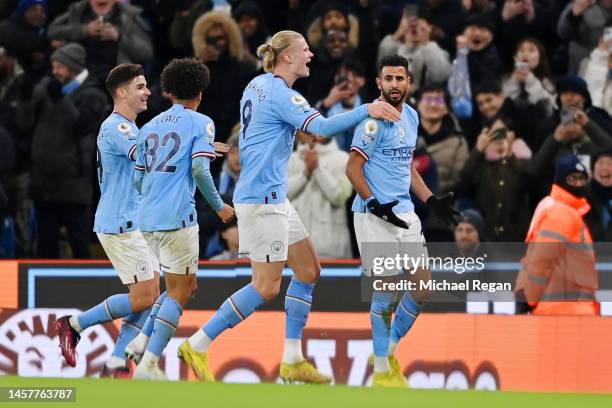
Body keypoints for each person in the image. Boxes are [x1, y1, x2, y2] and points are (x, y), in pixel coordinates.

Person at [177, 30, 400, 384]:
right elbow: (321, 129)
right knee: (266, 287)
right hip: (262, 200)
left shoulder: (257, 85)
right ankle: (199, 343)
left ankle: (293, 359)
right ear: (288, 57)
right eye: (305, 50)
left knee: (309, 270)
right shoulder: (283, 94)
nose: (311, 54)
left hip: (273, 197)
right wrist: (366, 109)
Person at [346, 54, 460, 387]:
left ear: (409, 82)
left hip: (405, 213)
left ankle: (388, 349)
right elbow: (352, 169)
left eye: (400, 78)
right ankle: (382, 371)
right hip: (373, 216)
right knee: (386, 292)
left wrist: (430, 199)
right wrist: (373, 203)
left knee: (423, 287)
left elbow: (406, 166)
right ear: (378, 83)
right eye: (388, 79)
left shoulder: (410, 116)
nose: (395, 84)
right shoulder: (371, 122)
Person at [129, 58, 234, 380]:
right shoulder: (202, 122)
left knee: (182, 286)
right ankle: (148, 364)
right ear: (200, 93)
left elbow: (137, 178)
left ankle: (140, 341)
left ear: (168, 91)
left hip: (146, 218)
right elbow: (201, 170)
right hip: (178, 217)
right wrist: (219, 207)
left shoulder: (148, 127)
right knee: (180, 291)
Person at [55, 64, 160, 378]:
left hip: (132, 221)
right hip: (120, 222)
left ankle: (116, 364)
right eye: (141, 87)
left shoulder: (129, 127)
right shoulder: (119, 128)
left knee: (145, 298)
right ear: (121, 92)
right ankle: (73, 325)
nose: (148, 92)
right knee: (145, 296)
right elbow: (145, 160)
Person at [21, 43, 108, 258]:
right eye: (53, 66)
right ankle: (44, 290)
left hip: (73, 184)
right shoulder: (48, 89)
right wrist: (28, 94)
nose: (55, 71)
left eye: (59, 66)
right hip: (43, 181)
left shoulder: (94, 94)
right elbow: (24, 123)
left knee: (78, 241)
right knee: (45, 243)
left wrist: (60, 99)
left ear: (73, 67)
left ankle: (86, 288)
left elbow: (81, 126)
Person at [516, 154, 599, 315]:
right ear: (560, 181)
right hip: (563, 312)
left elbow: (533, 257)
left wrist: (525, 294)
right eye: (572, 178)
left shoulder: (557, 210)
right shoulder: (561, 213)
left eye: (582, 179)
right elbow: (542, 259)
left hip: (563, 309)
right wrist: (529, 298)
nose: (578, 183)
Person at [48, 0, 153, 82]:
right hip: (81, 80)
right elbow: (52, 31)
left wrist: (119, 37)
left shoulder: (129, 16)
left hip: (118, 81)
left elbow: (146, 52)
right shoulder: (77, 11)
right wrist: (84, 30)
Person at [287, 137, 353, 259]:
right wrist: (304, 175)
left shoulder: (343, 159)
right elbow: (280, 195)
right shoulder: (290, 159)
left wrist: (317, 169)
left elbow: (340, 196)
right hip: (294, 248)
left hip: (333, 250)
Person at [416, 83, 468, 194]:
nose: (433, 104)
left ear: (446, 109)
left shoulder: (458, 143)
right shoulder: (403, 137)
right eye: (428, 99)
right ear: (418, 105)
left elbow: (459, 180)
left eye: (439, 100)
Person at [502, 37, 556, 116]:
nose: (525, 54)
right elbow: (503, 105)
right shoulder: (506, 78)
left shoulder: (548, 81)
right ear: (515, 57)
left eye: (531, 51)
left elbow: (549, 109)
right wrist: (514, 80)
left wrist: (530, 80)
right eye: (521, 50)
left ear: (540, 57)